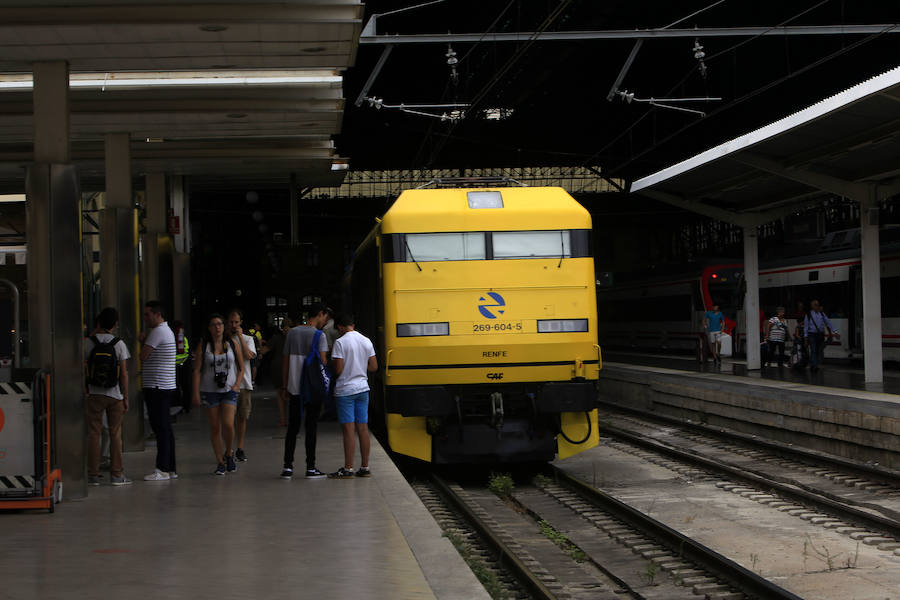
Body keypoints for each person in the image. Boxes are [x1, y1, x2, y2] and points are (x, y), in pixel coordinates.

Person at [280, 303, 331, 479]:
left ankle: (287, 467)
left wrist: (285, 385)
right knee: (311, 427)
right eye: (325, 316)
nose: (325, 320)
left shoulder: (292, 333)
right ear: (319, 314)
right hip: (312, 389)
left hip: (295, 387)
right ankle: (310, 467)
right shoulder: (320, 336)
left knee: (293, 427)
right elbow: (323, 363)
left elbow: (285, 361)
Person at [84, 307, 132, 486]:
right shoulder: (119, 344)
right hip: (115, 395)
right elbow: (124, 374)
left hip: (94, 394)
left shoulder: (89, 343)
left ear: (98, 323)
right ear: (115, 324)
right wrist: (126, 397)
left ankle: (93, 475)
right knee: (115, 434)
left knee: (94, 434)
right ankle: (117, 474)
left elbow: (83, 368)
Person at [193, 313, 245, 475]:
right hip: (210, 390)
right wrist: (195, 393)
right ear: (209, 328)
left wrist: (236, 384)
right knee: (215, 426)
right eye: (214, 324)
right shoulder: (204, 345)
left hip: (229, 389)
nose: (217, 328)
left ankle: (229, 453)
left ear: (224, 327)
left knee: (228, 424)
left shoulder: (231, 344)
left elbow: (241, 367)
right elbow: (197, 370)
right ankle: (220, 461)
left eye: (220, 324)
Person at [327, 313, 377, 479]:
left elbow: (339, 370)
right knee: (363, 428)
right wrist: (360, 368)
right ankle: (365, 467)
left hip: (345, 390)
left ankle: (348, 468)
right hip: (363, 389)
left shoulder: (340, 342)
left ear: (340, 327)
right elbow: (374, 366)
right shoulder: (366, 340)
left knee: (349, 430)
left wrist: (336, 365)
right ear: (353, 325)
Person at [140, 300, 178, 481]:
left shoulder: (157, 332)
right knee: (165, 428)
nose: (145, 318)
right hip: (164, 385)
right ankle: (170, 467)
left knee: (161, 428)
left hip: (157, 386)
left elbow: (143, 356)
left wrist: (143, 341)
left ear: (157, 314)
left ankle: (162, 468)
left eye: (147, 314)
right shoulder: (165, 331)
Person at [228, 310, 255, 462]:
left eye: (236, 322)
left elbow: (249, 356)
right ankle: (228, 449)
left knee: (242, 417)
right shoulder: (223, 339)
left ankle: (240, 447)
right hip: (228, 384)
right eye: (231, 322)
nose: (233, 325)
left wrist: (239, 337)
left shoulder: (248, 339)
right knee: (227, 419)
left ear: (241, 323)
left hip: (244, 383)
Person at [268, 318, 293, 426]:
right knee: (293, 393)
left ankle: (283, 419)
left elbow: (266, 350)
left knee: (279, 393)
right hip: (292, 366)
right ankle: (293, 418)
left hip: (278, 366)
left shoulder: (275, 338)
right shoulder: (294, 338)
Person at [804, 299, 836, 373]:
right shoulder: (808, 315)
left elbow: (828, 323)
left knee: (819, 350)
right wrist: (806, 338)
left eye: (817, 305)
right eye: (815, 305)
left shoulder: (822, 314)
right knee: (813, 350)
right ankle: (814, 365)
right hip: (812, 334)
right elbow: (806, 327)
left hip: (820, 335)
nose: (817, 306)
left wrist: (835, 331)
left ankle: (814, 364)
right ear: (812, 306)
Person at [173, 319, 192, 414]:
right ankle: (187, 406)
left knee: (176, 386)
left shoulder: (173, 336)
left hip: (175, 365)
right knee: (186, 386)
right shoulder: (184, 336)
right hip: (186, 364)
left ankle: (178, 406)